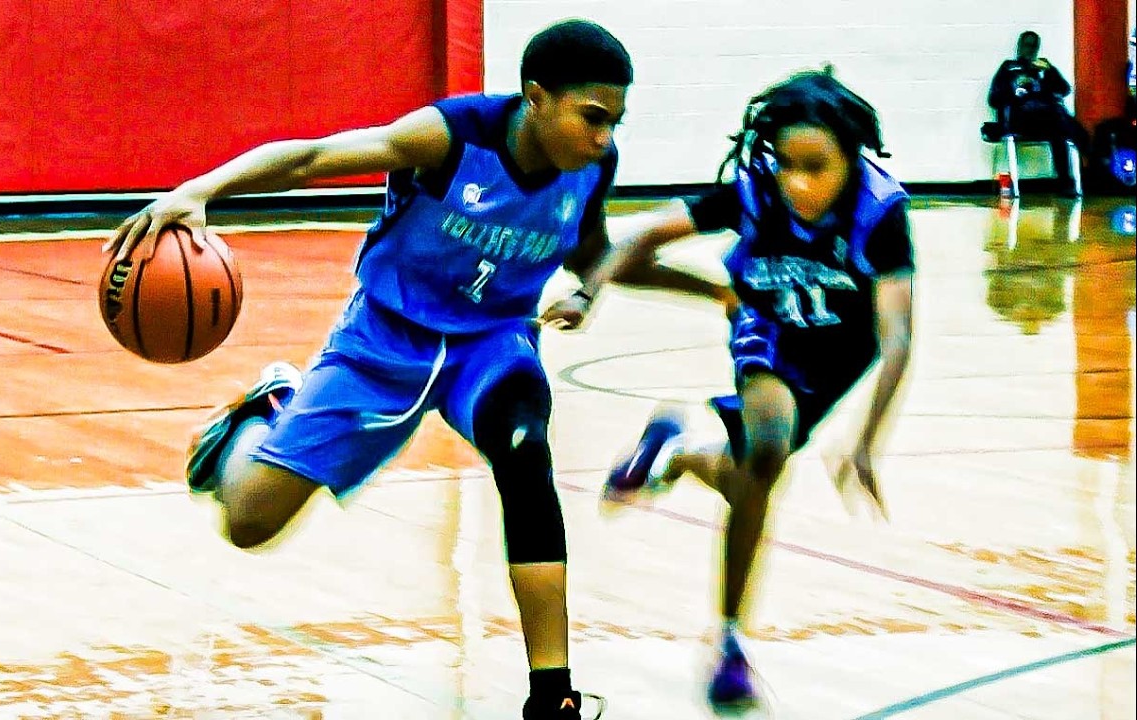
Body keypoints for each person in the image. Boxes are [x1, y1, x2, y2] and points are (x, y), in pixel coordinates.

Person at [106, 19, 721, 720]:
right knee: (247, 525)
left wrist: (632, 288)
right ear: (536, 97)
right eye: (592, 117)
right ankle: (261, 415)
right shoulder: (451, 138)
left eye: (614, 122)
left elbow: (595, 255)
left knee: (525, 451)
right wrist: (201, 190)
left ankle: (553, 695)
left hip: (490, 345)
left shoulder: (590, 167)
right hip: (386, 337)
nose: (604, 137)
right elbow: (313, 157)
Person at [541, 68, 916, 710]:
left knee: (749, 476)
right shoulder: (755, 192)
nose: (797, 183)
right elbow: (645, 234)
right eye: (787, 165)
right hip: (767, 326)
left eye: (816, 166)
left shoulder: (880, 211)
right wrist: (588, 290)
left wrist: (867, 442)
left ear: (850, 156)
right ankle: (732, 644)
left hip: (837, 358)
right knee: (767, 450)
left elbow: (897, 336)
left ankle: (678, 453)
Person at [987, 30, 1090, 196]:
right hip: (1021, 119)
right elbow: (993, 99)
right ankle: (1085, 145)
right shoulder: (1009, 67)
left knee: (1058, 129)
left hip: (1047, 120)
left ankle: (1065, 184)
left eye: (1034, 46)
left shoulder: (1043, 67)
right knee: (1061, 122)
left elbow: (1064, 89)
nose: (1030, 49)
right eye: (1027, 45)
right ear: (1020, 46)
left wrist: (1050, 72)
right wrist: (1015, 90)